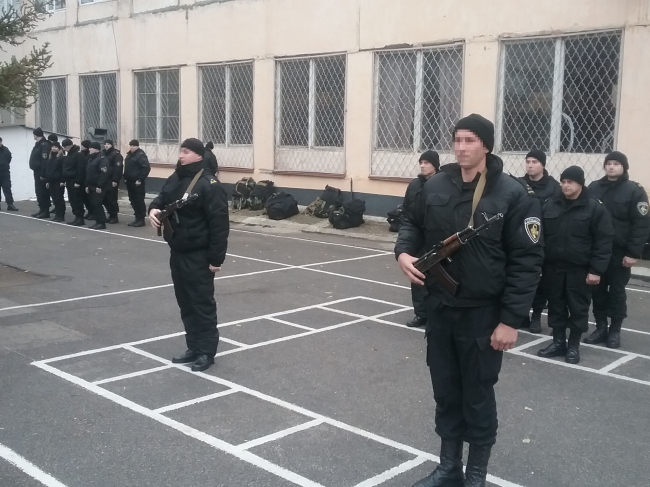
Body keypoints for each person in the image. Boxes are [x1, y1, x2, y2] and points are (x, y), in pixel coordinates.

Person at [396, 114, 543, 487]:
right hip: (441, 310)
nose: (461, 147)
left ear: (487, 146)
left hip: (483, 315)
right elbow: (410, 222)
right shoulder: (436, 185)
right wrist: (403, 252)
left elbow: (527, 263)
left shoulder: (511, 194)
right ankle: (449, 467)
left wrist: (510, 320)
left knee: (477, 394)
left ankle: (476, 473)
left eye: (470, 141)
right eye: (457, 140)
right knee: (445, 391)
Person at [148, 138, 229, 373]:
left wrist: (216, 259)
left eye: (186, 152)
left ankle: (206, 352)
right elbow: (162, 196)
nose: (181, 155)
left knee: (201, 303)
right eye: (181, 151)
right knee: (185, 302)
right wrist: (153, 208)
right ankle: (193, 346)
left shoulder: (209, 184)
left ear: (198, 155)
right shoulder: (178, 177)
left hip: (199, 254)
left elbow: (219, 225)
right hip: (178, 250)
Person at [538, 166, 613, 364]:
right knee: (556, 306)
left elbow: (604, 241)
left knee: (578, 309)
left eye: (570, 182)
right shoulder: (550, 205)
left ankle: (573, 346)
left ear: (580, 184)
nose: (566, 186)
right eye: (563, 182)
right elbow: (540, 236)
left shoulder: (594, 208)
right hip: (553, 268)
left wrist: (596, 270)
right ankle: (558, 342)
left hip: (580, 270)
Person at [586, 152, 650, 348]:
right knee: (597, 291)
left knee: (616, 292)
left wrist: (633, 253)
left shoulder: (634, 191)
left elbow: (641, 224)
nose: (611, 167)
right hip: (597, 250)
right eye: (608, 163)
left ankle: (615, 330)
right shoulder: (594, 187)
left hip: (620, 252)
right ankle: (600, 327)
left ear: (624, 167)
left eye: (616, 164)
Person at [519, 149, 561, 333]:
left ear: (542, 164)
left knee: (541, 282)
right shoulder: (519, 184)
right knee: (520, 278)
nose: (530, 165)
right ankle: (522, 314)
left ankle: (536, 315)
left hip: (544, 240)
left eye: (534, 162)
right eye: (528, 161)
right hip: (520, 239)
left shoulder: (554, 188)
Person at [403, 150, 439, 328]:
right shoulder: (415, 184)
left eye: (427, 163)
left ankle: (436, 314)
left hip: (435, 236)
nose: (423, 166)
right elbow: (407, 210)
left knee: (436, 277)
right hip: (418, 235)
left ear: (435, 165)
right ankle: (420, 313)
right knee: (417, 274)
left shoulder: (442, 183)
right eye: (421, 162)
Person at [85, 142, 112, 230]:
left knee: (97, 204)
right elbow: (89, 173)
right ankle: (98, 221)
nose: (89, 149)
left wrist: (99, 186)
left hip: (98, 186)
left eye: (91, 148)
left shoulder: (102, 159)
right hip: (91, 185)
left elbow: (104, 173)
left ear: (96, 149)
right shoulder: (91, 159)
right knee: (93, 204)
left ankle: (101, 223)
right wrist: (87, 185)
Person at [123, 140, 151, 227]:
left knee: (139, 200)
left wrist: (140, 179)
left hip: (137, 182)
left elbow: (146, 168)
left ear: (137, 146)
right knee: (133, 200)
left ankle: (141, 219)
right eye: (131, 145)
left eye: (134, 146)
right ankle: (137, 218)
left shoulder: (140, 155)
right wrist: (125, 178)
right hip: (129, 181)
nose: (132, 147)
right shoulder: (129, 155)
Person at [61, 139, 87, 226]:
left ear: (69, 146)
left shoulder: (78, 155)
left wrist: (78, 181)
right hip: (69, 181)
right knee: (72, 200)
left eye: (65, 147)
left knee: (77, 200)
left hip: (75, 181)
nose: (64, 149)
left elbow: (81, 169)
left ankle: (80, 218)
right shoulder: (69, 155)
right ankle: (76, 216)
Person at [29, 128, 52, 218]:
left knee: (43, 192)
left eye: (34, 134)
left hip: (41, 172)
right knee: (39, 191)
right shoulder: (38, 144)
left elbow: (44, 160)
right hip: (37, 171)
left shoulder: (44, 144)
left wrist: (43, 174)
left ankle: (45, 211)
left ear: (36, 135)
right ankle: (41, 209)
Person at [43, 142, 66, 222]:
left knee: (59, 198)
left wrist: (62, 180)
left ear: (59, 148)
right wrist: (47, 181)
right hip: (51, 181)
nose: (53, 148)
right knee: (54, 198)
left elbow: (63, 170)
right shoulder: (50, 158)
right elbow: (48, 170)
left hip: (58, 181)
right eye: (52, 147)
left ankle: (61, 215)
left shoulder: (61, 158)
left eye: (56, 147)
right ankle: (57, 214)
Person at [103, 140, 123, 224]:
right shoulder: (103, 153)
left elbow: (118, 168)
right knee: (105, 199)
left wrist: (115, 180)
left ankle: (114, 216)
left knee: (112, 199)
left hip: (112, 180)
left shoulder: (116, 155)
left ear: (112, 145)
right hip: (104, 179)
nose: (106, 146)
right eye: (105, 144)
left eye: (108, 144)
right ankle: (110, 214)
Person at [0, 137, 18, 211]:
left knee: (7, 188)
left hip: (5, 172)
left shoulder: (6, 150)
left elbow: (9, 158)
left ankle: (10, 204)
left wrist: (4, 165)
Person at [79, 140, 93, 220]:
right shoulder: (82, 154)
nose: (82, 147)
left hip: (88, 178)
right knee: (85, 197)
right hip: (83, 178)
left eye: (83, 146)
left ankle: (93, 212)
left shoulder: (90, 155)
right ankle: (90, 211)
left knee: (89, 198)